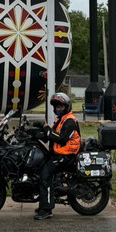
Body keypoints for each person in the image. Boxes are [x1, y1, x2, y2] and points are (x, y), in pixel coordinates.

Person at [34, 92, 81, 221]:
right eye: (57, 107)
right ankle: (43, 203)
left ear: (67, 107)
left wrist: (46, 129)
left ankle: (47, 210)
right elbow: (51, 134)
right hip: (59, 154)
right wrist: (37, 132)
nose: (59, 109)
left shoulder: (70, 121)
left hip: (66, 155)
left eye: (61, 107)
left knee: (45, 175)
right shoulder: (60, 120)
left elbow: (61, 139)